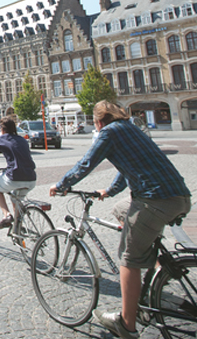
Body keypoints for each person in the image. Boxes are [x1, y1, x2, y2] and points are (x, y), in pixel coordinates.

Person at [50, 101, 191, 339]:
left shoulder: (108, 133)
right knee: (120, 209)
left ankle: (126, 324)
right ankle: (157, 269)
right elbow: (127, 167)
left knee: (128, 259)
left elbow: (86, 163)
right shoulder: (132, 128)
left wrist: (62, 184)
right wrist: (110, 191)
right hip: (180, 196)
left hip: (155, 200)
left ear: (97, 121)